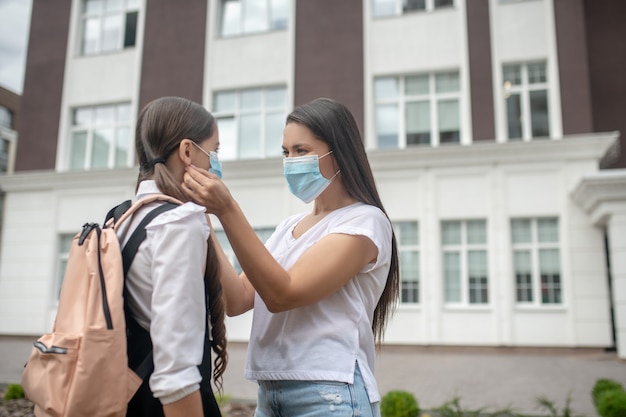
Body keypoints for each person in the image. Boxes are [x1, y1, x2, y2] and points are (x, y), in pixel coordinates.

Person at [183, 97, 400, 417]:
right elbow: (238, 299)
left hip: (330, 394)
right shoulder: (289, 227)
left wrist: (227, 209)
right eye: (286, 153)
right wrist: (204, 215)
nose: (291, 161)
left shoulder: (365, 222)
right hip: (270, 393)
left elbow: (283, 294)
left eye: (302, 151)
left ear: (339, 153)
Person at [119, 96, 227, 417]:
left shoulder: (124, 217)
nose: (215, 162)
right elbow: (175, 371)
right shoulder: (177, 223)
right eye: (214, 150)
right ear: (187, 152)